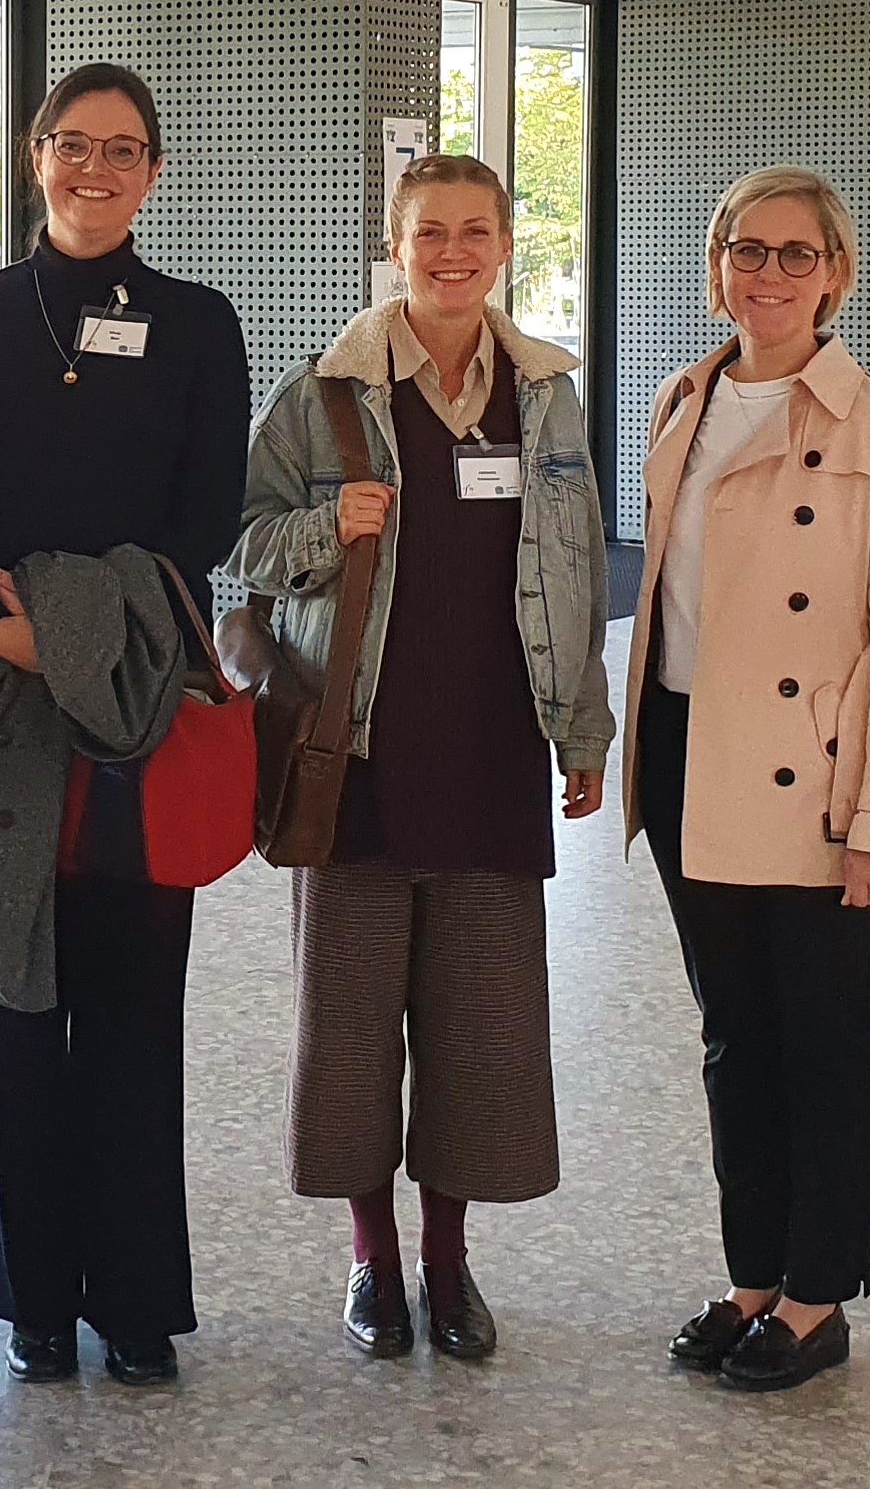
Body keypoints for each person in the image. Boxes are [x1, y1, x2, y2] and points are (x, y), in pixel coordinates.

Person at [0, 63, 250, 1387]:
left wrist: (89, 639)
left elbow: (201, 514)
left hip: (139, 698)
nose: (96, 170)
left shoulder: (197, 322)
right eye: (73, 145)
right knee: (10, 987)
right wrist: (3, 632)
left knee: (132, 995)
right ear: (36, 155)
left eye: (124, 150)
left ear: (152, 173)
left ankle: (137, 1298)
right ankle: (36, 1299)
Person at [230, 153, 613, 1363]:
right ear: (392, 247)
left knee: (478, 1030)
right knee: (347, 1030)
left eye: (474, 231)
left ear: (504, 242)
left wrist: (582, 726)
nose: (452, 252)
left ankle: (449, 1265)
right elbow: (236, 546)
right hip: (358, 758)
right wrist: (317, 529)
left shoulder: (548, 393)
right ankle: (372, 1264)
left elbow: (579, 567)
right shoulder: (325, 393)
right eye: (427, 233)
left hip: (493, 751)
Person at [625, 166, 870, 1392]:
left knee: (823, 1038)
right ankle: (750, 1274)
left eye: (793, 255)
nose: (766, 275)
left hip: (814, 780)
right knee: (730, 1036)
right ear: (716, 265)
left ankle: (816, 1296)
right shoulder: (682, 399)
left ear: (837, 273)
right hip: (688, 757)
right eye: (745, 251)